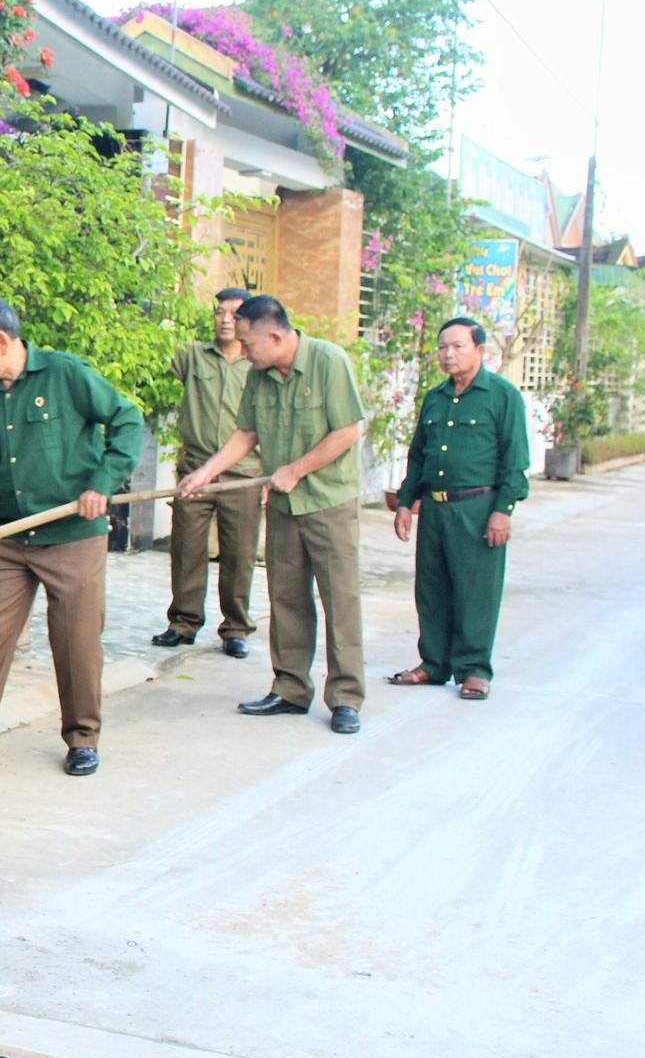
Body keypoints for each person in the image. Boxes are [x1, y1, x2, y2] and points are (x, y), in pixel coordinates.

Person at [0, 295, 144, 779]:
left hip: (72, 535)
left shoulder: (66, 374)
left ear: (1, 340)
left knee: (76, 640)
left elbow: (126, 420)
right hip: (9, 538)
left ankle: (83, 738)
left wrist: (101, 484)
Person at [178, 295, 367, 734]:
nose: (242, 351)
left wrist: (297, 469)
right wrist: (206, 473)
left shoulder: (328, 362)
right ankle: (290, 688)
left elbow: (348, 431)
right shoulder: (260, 377)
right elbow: (246, 433)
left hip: (328, 502)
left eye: (248, 343)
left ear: (276, 336)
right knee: (287, 599)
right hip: (283, 506)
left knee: (339, 599)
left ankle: (346, 698)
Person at [386, 317, 530, 701]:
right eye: (443, 347)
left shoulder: (502, 396)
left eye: (458, 346)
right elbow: (418, 456)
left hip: (478, 506)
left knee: (476, 590)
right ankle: (434, 663)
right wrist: (404, 502)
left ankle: (474, 669)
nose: (448, 354)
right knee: (431, 588)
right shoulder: (435, 398)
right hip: (434, 508)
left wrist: (503, 510)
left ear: (480, 350)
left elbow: (515, 460)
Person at [154, 288, 264, 659]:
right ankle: (183, 623)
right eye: (219, 312)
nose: (225, 319)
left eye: (234, 313)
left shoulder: (257, 363)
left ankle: (235, 628)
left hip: (244, 474)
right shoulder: (193, 357)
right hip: (195, 468)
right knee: (187, 548)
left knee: (239, 553)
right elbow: (153, 351)